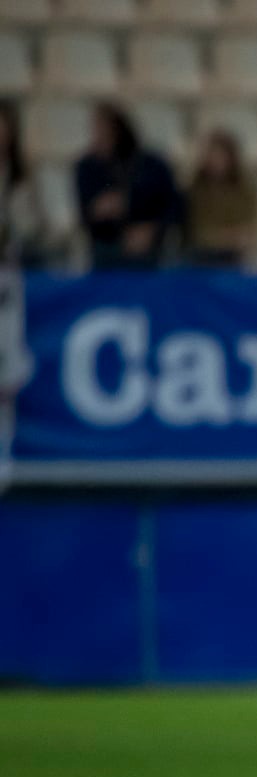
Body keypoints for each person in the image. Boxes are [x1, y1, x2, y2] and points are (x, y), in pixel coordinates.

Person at [0, 100, 46, 495]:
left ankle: (4, 458)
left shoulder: (20, 181)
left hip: (8, 282)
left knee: (7, 375)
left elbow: (34, 226)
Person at [74, 102, 181, 271]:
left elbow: (174, 205)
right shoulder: (86, 167)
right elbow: (84, 213)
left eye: (106, 131)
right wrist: (98, 211)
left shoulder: (152, 165)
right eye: (96, 130)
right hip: (106, 248)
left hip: (149, 250)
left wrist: (151, 229)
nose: (99, 137)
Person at [182, 129, 257, 268]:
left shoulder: (244, 191)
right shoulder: (195, 192)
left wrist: (225, 238)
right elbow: (197, 235)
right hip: (199, 258)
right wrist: (227, 237)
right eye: (211, 155)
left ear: (231, 158)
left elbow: (247, 234)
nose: (215, 161)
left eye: (220, 156)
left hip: (232, 259)